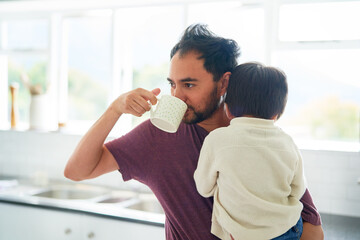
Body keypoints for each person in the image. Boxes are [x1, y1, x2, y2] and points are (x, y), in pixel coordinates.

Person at [64, 24, 324, 240]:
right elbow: (77, 171)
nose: (177, 96)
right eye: (172, 84)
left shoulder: (258, 138)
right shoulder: (156, 136)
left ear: (224, 82)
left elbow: (313, 231)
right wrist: (115, 109)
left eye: (188, 84)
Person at [194, 62, 305, 240]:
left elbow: (204, 188)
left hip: (239, 234)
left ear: (227, 108)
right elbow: (297, 189)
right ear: (277, 113)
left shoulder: (217, 139)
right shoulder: (287, 142)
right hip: (286, 229)